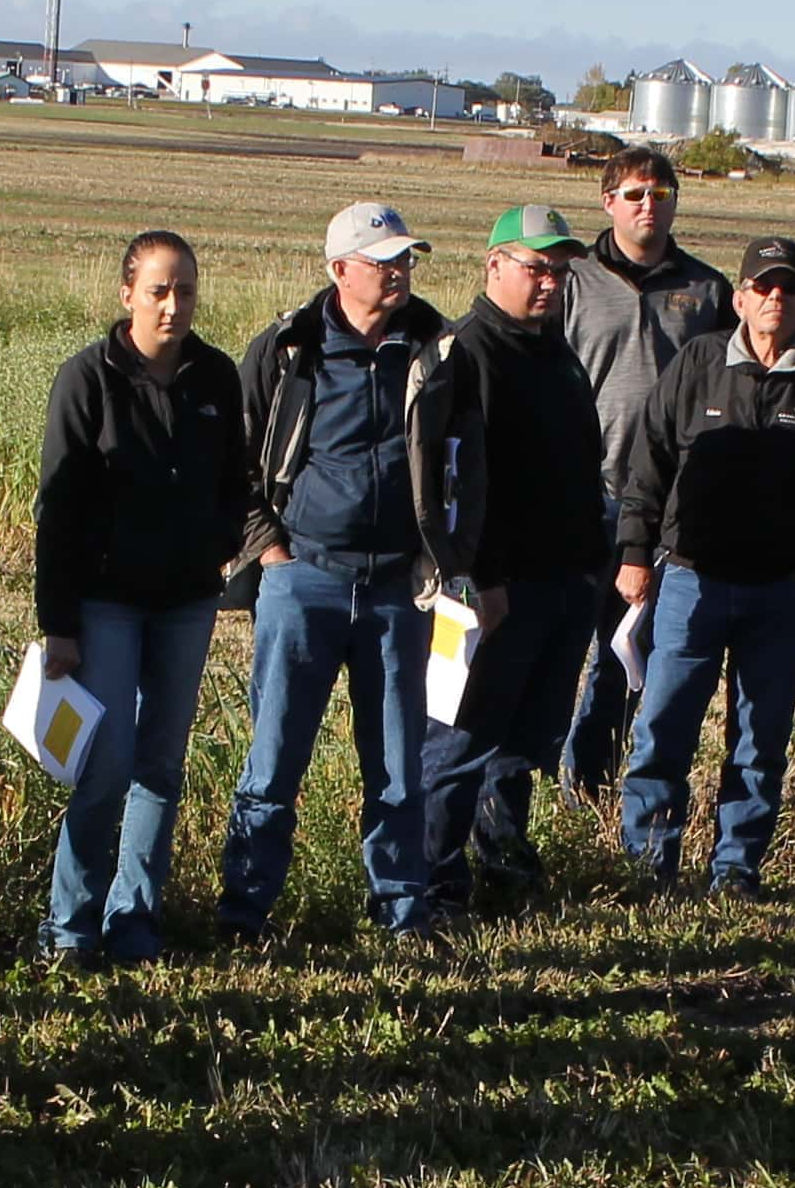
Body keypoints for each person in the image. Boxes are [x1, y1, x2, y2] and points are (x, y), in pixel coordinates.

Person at [221, 201, 482, 943]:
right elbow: (236, 462)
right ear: (339, 269)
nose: (398, 272)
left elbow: (470, 460)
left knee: (400, 763)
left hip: (402, 587)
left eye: (405, 260)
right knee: (273, 758)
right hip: (305, 579)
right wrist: (269, 546)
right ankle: (246, 912)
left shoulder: (438, 349)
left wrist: (452, 559)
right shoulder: (286, 349)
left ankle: (403, 910)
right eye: (383, 260)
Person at [614, 232, 795, 895]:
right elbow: (648, 459)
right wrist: (634, 551)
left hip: (781, 591)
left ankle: (736, 866)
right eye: (761, 287)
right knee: (663, 726)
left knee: (760, 738)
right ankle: (648, 863)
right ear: (739, 297)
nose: (774, 298)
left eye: (787, 288)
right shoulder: (700, 360)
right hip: (690, 578)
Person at [31, 230, 249, 964]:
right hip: (106, 602)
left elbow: (236, 484)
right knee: (107, 765)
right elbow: (56, 512)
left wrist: (220, 547)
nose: (173, 304)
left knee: (161, 765)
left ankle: (135, 924)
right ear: (127, 293)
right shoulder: (87, 379)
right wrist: (58, 624)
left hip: (187, 602)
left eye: (185, 289)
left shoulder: (217, 378)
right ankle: (69, 928)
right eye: (159, 289)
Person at [429, 205, 616, 916]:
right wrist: (482, 576)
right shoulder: (467, 354)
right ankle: (434, 884)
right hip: (497, 589)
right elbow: (450, 485)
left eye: (559, 272)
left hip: (566, 579)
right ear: (494, 265)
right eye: (536, 268)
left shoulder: (556, 353)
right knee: (462, 738)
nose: (548, 284)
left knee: (526, 744)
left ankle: (504, 870)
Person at [555, 147, 732, 792]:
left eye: (660, 194)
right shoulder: (570, 280)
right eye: (634, 194)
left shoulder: (707, 290)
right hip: (577, 494)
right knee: (556, 647)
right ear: (608, 202)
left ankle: (593, 782)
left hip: (660, 505)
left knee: (626, 651)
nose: (647, 206)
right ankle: (531, 780)